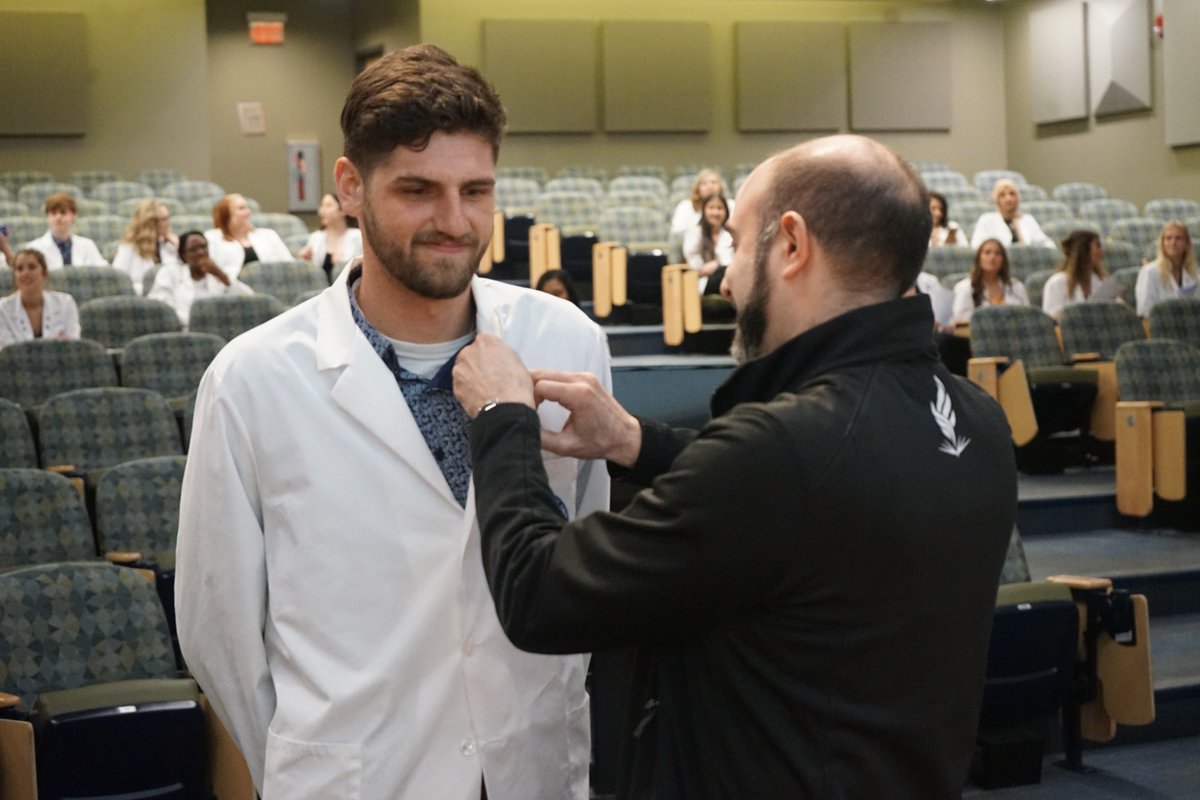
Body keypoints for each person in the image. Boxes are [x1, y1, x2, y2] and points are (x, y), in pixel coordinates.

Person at [453, 134, 1017, 799]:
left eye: (740, 241)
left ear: (791, 244)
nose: (726, 278)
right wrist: (638, 441)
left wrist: (501, 419)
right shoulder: (976, 420)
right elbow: (819, 509)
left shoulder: (780, 450)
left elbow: (537, 590)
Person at [175, 44, 610, 800]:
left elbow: (585, 563)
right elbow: (221, 635)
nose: (454, 221)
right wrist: (309, 764)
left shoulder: (567, 341)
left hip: (531, 763)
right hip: (357, 778)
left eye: (476, 190)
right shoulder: (252, 380)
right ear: (350, 187)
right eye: (418, 189)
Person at [147, 229, 252, 327]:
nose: (201, 252)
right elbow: (160, 305)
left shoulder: (217, 273)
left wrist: (222, 276)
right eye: (193, 249)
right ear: (183, 255)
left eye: (203, 247)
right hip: (183, 329)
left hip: (218, 328)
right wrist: (195, 321)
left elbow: (249, 299)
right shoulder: (170, 273)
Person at [0, 248, 80, 347]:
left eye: (32, 267)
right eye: (20, 269)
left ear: (45, 273)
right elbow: (7, 352)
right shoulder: (3, 308)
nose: (25, 273)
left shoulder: (66, 303)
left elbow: (72, 346)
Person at [203, 193, 293, 279]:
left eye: (248, 208)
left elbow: (289, 266)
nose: (248, 212)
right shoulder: (211, 238)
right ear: (226, 214)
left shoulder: (269, 235)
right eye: (241, 208)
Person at [951, 239, 1029, 324]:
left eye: (998, 253)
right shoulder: (965, 288)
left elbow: (1027, 316)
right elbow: (960, 320)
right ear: (978, 259)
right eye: (987, 252)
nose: (992, 257)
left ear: (1003, 260)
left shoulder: (1016, 286)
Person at [23, 192, 109, 268]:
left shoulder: (88, 245)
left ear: (74, 216)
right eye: (53, 213)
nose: (58, 217)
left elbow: (104, 271)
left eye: (63, 212)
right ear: (47, 217)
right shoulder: (33, 248)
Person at [112, 199, 180, 294]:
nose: (168, 223)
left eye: (168, 218)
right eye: (164, 219)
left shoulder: (169, 245)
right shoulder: (129, 248)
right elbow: (117, 281)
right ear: (151, 223)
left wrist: (179, 248)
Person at [1042, 229, 1112, 320]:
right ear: (1083, 251)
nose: (1101, 252)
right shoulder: (1057, 282)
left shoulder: (1099, 281)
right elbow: (1051, 318)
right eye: (1097, 246)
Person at [970, 178, 1055, 250]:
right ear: (997, 200)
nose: (1008, 199)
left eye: (1012, 194)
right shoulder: (987, 220)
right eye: (1002, 195)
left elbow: (1047, 244)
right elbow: (977, 246)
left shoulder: (1028, 219)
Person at [298, 192, 363, 284]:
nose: (321, 211)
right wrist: (305, 261)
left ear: (342, 210)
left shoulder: (357, 236)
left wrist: (342, 264)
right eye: (322, 206)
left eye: (328, 206)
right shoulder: (316, 237)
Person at [1136, 220, 1198, 316]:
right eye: (1168, 238)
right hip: (1161, 327)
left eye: (1178, 238)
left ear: (1187, 243)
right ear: (1162, 243)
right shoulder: (1149, 272)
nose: (1173, 242)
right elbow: (1145, 311)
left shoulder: (1195, 274)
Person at [682, 193, 733, 294]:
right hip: (702, 282)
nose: (715, 212)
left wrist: (717, 265)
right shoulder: (695, 232)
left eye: (719, 208)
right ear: (704, 211)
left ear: (726, 212)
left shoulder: (729, 233)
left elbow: (729, 261)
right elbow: (695, 265)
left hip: (728, 278)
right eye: (711, 208)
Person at [668, 168, 732, 237]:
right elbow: (677, 234)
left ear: (720, 186)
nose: (710, 186)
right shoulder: (685, 206)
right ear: (698, 188)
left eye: (714, 182)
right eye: (704, 183)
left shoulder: (731, 205)